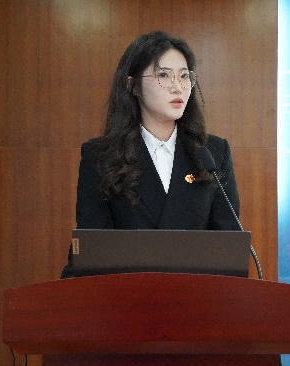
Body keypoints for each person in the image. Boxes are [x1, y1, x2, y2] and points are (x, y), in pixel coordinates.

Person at [61, 31, 240, 278]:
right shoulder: (100, 156)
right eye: (163, 75)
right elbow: (92, 250)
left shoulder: (212, 153)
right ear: (132, 85)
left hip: (196, 297)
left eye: (184, 76)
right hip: (125, 296)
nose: (177, 87)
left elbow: (228, 249)